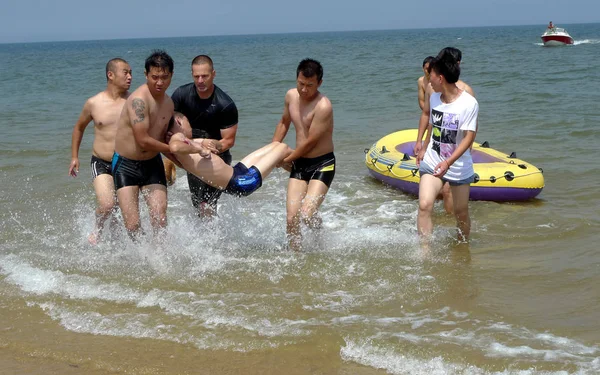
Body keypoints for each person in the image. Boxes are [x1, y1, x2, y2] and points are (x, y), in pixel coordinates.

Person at [272, 58, 335, 251]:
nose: (304, 89)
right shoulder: (291, 96)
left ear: (319, 83)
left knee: (307, 214)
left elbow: (310, 143)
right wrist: (273, 148)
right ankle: (296, 256)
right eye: (301, 84)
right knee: (292, 217)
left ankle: (320, 236)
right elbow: (284, 122)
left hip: (322, 164)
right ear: (296, 79)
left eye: (310, 85)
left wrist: (285, 159)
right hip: (300, 164)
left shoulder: (323, 106)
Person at [112, 50, 177, 237]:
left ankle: (159, 259)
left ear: (171, 75)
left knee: (160, 218)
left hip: (152, 164)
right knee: (132, 226)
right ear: (146, 74)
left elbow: (165, 138)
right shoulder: (138, 101)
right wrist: (172, 149)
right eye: (154, 77)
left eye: (164, 77)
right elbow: (143, 140)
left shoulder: (169, 103)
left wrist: (187, 157)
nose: (159, 82)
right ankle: (140, 260)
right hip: (126, 165)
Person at [416, 49, 479, 243]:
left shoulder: (468, 103)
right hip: (433, 161)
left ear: (441, 78)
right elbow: (434, 126)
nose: (429, 79)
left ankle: (462, 247)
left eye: (432, 75)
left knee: (460, 212)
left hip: (458, 166)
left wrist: (449, 162)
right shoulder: (434, 98)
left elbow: (469, 137)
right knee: (425, 205)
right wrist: (424, 146)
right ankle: (424, 252)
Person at [68, 58, 132, 244]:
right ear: (110, 75)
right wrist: (74, 157)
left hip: (126, 163)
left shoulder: (133, 101)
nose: (130, 77)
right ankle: (97, 229)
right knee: (107, 204)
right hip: (101, 162)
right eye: (125, 72)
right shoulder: (94, 103)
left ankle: (115, 242)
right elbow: (79, 128)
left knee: (121, 209)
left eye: (131, 73)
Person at [171, 55, 239, 218]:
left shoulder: (225, 104)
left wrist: (213, 146)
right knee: (197, 203)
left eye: (205, 76)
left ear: (213, 74)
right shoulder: (181, 95)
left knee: (207, 203)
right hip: (192, 154)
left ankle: (214, 241)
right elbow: (166, 121)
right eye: (196, 76)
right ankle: (204, 239)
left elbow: (229, 140)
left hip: (217, 157)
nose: (200, 80)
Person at [168, 113, 292, 197]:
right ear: (179, 122)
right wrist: (200, 150)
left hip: (237, 172)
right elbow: (174, 147)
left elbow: (214, 143)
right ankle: (304, 172)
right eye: (188, 122)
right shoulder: (177, 137)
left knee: (275, 146)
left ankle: (293, 169)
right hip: (241, 183)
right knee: (283, 148)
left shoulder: (191, 142)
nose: (191, 127)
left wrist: (213, 144)